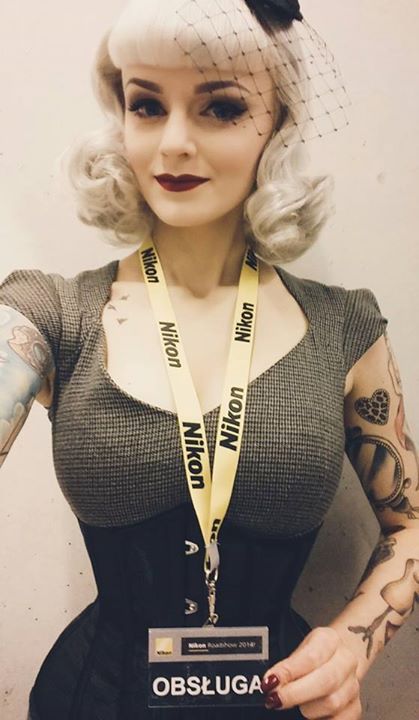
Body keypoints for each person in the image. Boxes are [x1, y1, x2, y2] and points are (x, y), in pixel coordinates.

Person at [0, 0, 418, 718]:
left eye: (220, 108)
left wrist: (351, 646)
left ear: (278, 126)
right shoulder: (49, 315)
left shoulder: (343, 325)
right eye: (146, 105)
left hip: (282, 699)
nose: (172, 144)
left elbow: (410, 523)